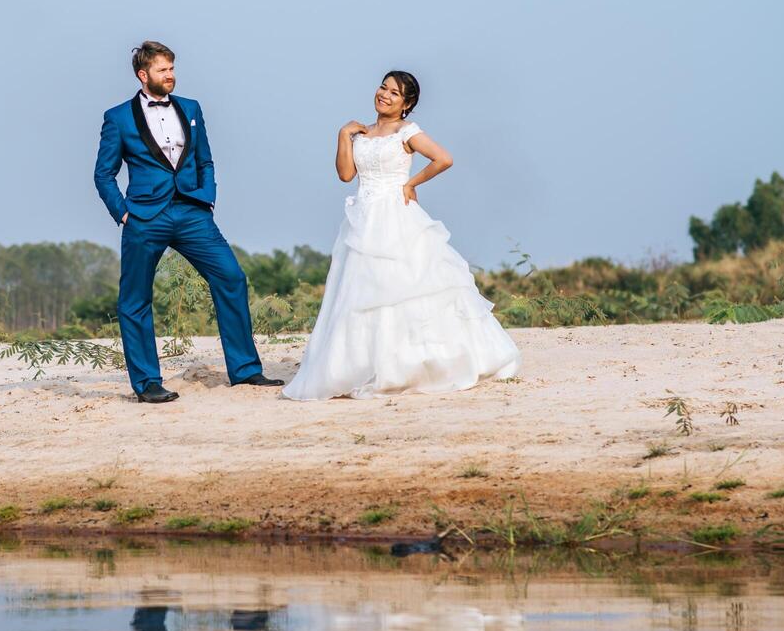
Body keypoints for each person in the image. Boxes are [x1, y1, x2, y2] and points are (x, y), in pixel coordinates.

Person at [281, 71, 520, 401]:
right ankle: (365, 365)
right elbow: (346, 174)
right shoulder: (361, 133)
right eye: (383, 87)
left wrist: (410, 184)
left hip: (395, 214)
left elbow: (443, 159)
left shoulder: (407, 132)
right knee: (361, 292)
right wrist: (343, 135)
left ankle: (414, 364)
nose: (385, 95)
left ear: (407, 104)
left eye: (395, 93)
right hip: (362, 217)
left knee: (402, 286)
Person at [94, 40, 283, 403]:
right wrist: (123, 212)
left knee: (230, 276)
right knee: (134, 299)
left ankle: (245, 371)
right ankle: (148, 382)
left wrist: (207, 197)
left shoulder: (191, 108)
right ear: (143, 74)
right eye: (163, 70)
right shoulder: (117, 117)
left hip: (192, 212)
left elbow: (206, 160)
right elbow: (104, 174)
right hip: (144, 217)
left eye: (172, 69)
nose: (171, 76)